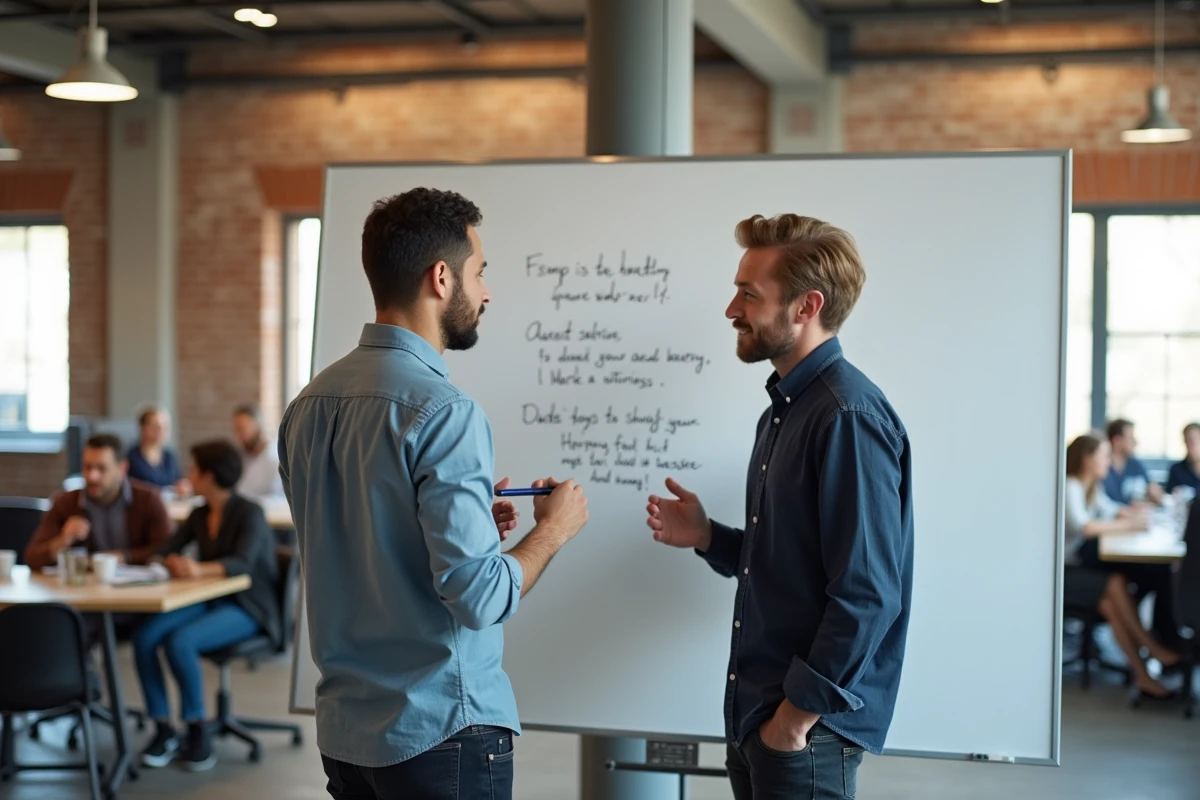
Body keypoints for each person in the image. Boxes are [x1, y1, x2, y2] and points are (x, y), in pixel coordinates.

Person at [279, 188, 590, 800]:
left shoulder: (306, 406)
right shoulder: (445, 411)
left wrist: (472, 527)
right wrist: (553, 529)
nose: (488, 292)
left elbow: (355, 547)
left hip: (346, 737)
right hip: (441, 730)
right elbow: (477, 597)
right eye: (480, 273)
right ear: (441, 277)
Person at [646, 214, 913, 799]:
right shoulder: (783, 412)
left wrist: (792, 723)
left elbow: (868, 594)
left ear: (805, 306)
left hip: (801, 732)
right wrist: (709, 537)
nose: (730, 310)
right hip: (760, 719)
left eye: (748, 293)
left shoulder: (846, 416)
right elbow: (791, 564)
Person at [135, 440, 280, 773]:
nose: (189, 474)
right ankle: (162, 727)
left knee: (180, 641)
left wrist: (198, 569)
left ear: (209, 476)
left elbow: (243, 562)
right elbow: (168, 546)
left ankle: (197, 728)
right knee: (146, 637)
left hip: (248, 606)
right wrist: (164, 559)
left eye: (194, 469)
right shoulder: (200, 513)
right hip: (208, 599)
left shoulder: (250, 512)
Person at [1064, 433, 1181, 696]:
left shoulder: (1092, 487)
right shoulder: (1071, 485)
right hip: (1063, 575)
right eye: (1104, 455)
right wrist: (1127, 523)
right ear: (1087, 458)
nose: (1108, 460)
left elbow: (1112, 508)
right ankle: (1152, 649)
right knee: (1117, 582)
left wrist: (1134, 512)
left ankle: (1143, 674)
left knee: (1111, 602)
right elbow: (1085, 526)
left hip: (1076, 569)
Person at [25, 434, 172, 570]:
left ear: (122, 469)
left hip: (140, 593)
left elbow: (168, 550)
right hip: (83, 593)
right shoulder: (65, 503)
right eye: (87, 467)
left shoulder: (148, 500)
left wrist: (126, 557)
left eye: (101, 469)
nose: (92, 476)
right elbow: (32, 558)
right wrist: (62, 541)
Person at [126, 405, 190, 495]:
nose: (162, 430)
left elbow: (179, 480)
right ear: (143, 428)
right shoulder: (131, 457)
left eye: (165, 426)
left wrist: (183, 486)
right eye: (156, 426)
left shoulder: (170, 456)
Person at [231, 403, 284, 500]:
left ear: (258, 426)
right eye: (236, 430)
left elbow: (279, 499)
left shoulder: (276, 459)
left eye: (242, 429)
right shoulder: (240, 457)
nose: (238, 436)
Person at [1104, 419, 1164, 505]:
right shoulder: (1102, 468)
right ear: (1116, 441)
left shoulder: (1136, 465)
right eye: (1131, 438)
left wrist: (1155, 495)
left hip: (1137, 515)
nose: (1136, 443)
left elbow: (1154, 492)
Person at [1165, 422, 1200, 495]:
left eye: (1193, 442)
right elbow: (1169, 500)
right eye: (1186, 442)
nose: (1189, 446)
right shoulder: (1176, 470)